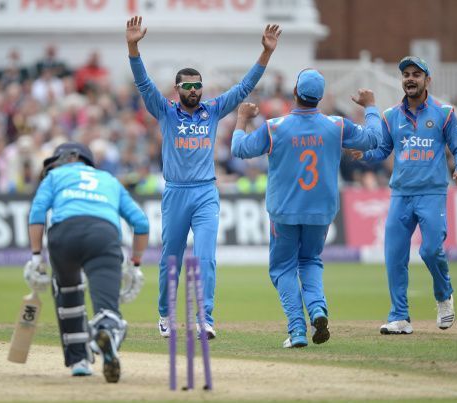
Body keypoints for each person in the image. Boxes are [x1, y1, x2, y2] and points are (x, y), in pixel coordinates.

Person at [125, 15, 281, 340]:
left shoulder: (212, 110)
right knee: (171, 260)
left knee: (206, 257)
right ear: (178, 89)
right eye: (188, 86)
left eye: (198, 85)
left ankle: (205, 319)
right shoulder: (166, 111)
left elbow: (244, 88)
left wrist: (265, 53)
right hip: (176, 193)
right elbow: (143, 84)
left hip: (206, 192)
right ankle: (166, 314)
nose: (194, 90)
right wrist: (133, 47)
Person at [231, 69, 383, 348]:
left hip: (285, 211)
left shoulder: (274, 126)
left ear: (296, 93)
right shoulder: (336, 125)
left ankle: (297, 328)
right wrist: (371, 106)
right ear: (320, 97)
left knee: (282, 268)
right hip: (321, 211)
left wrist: (242, 119)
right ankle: (317, 309)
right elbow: (374, 138)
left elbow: (239, 149)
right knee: (310, 261)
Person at [350, 56, 457, 335]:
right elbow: (383, 150)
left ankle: (444, 295)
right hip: (401, 194)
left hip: (431, 192)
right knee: (394, 256)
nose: (410, 78)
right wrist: (365, 155)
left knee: (430, 250)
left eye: (416, 74)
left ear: (428, 80)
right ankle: (400, 317)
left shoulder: (444, 113)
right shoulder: (391, 116)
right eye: (406, 74)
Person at [25, 142, 149, 382]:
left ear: (71, 157)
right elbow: (141, 223)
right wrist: (135, 265)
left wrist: (35, 257)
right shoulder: (109, 180)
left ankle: (79, 360)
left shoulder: (55, 177)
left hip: (64, 236)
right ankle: (105, 332)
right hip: (103, 237)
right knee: (107, 309)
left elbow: (37, 212)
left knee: (68, 296)